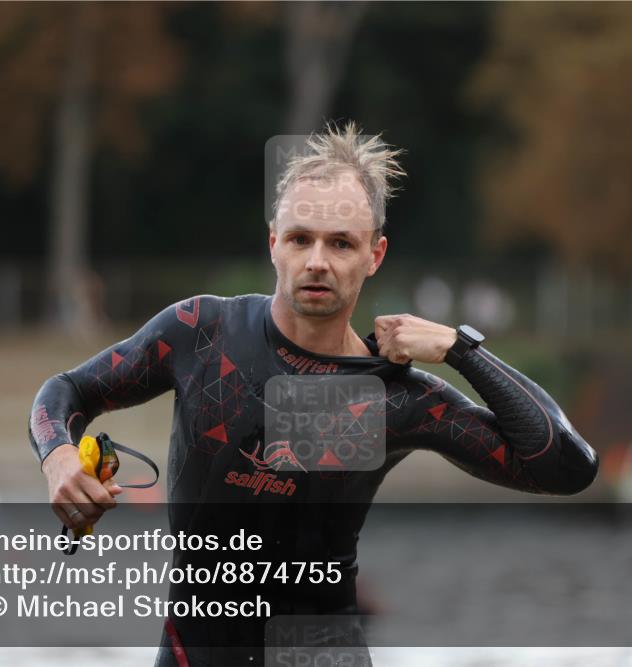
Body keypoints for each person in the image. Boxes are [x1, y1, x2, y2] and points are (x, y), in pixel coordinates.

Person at [29, 122, 599, 666]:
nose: (317, 261)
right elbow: (67, 391)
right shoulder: (201, 333)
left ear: (374, 255)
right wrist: (59, 459)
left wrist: (460, 349)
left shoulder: (396, 398)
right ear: (274, 243)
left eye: (341, 244)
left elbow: (568, 467)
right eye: (301, 239)